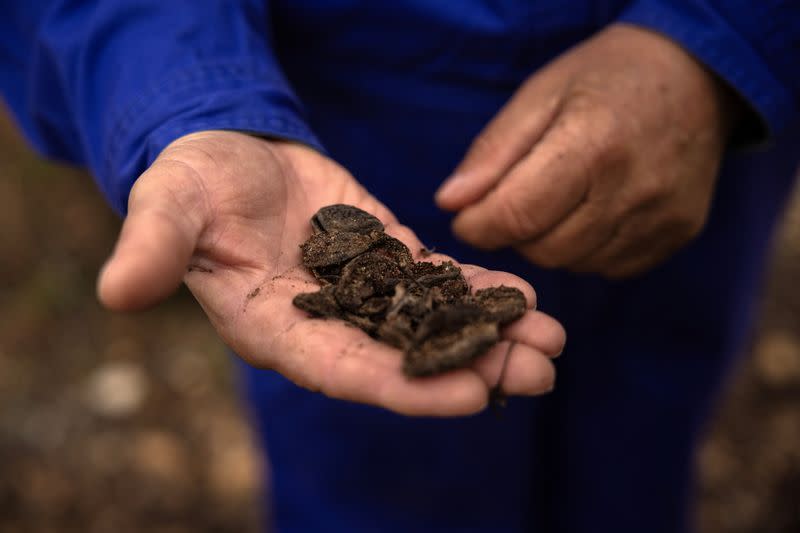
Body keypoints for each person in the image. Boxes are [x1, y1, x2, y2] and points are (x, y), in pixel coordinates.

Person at [2, 1, 798, 531]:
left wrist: (723, 40)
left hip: (695, 129)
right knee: (378, 483)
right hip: (339, 98)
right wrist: (187, 100)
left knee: (640, 453)